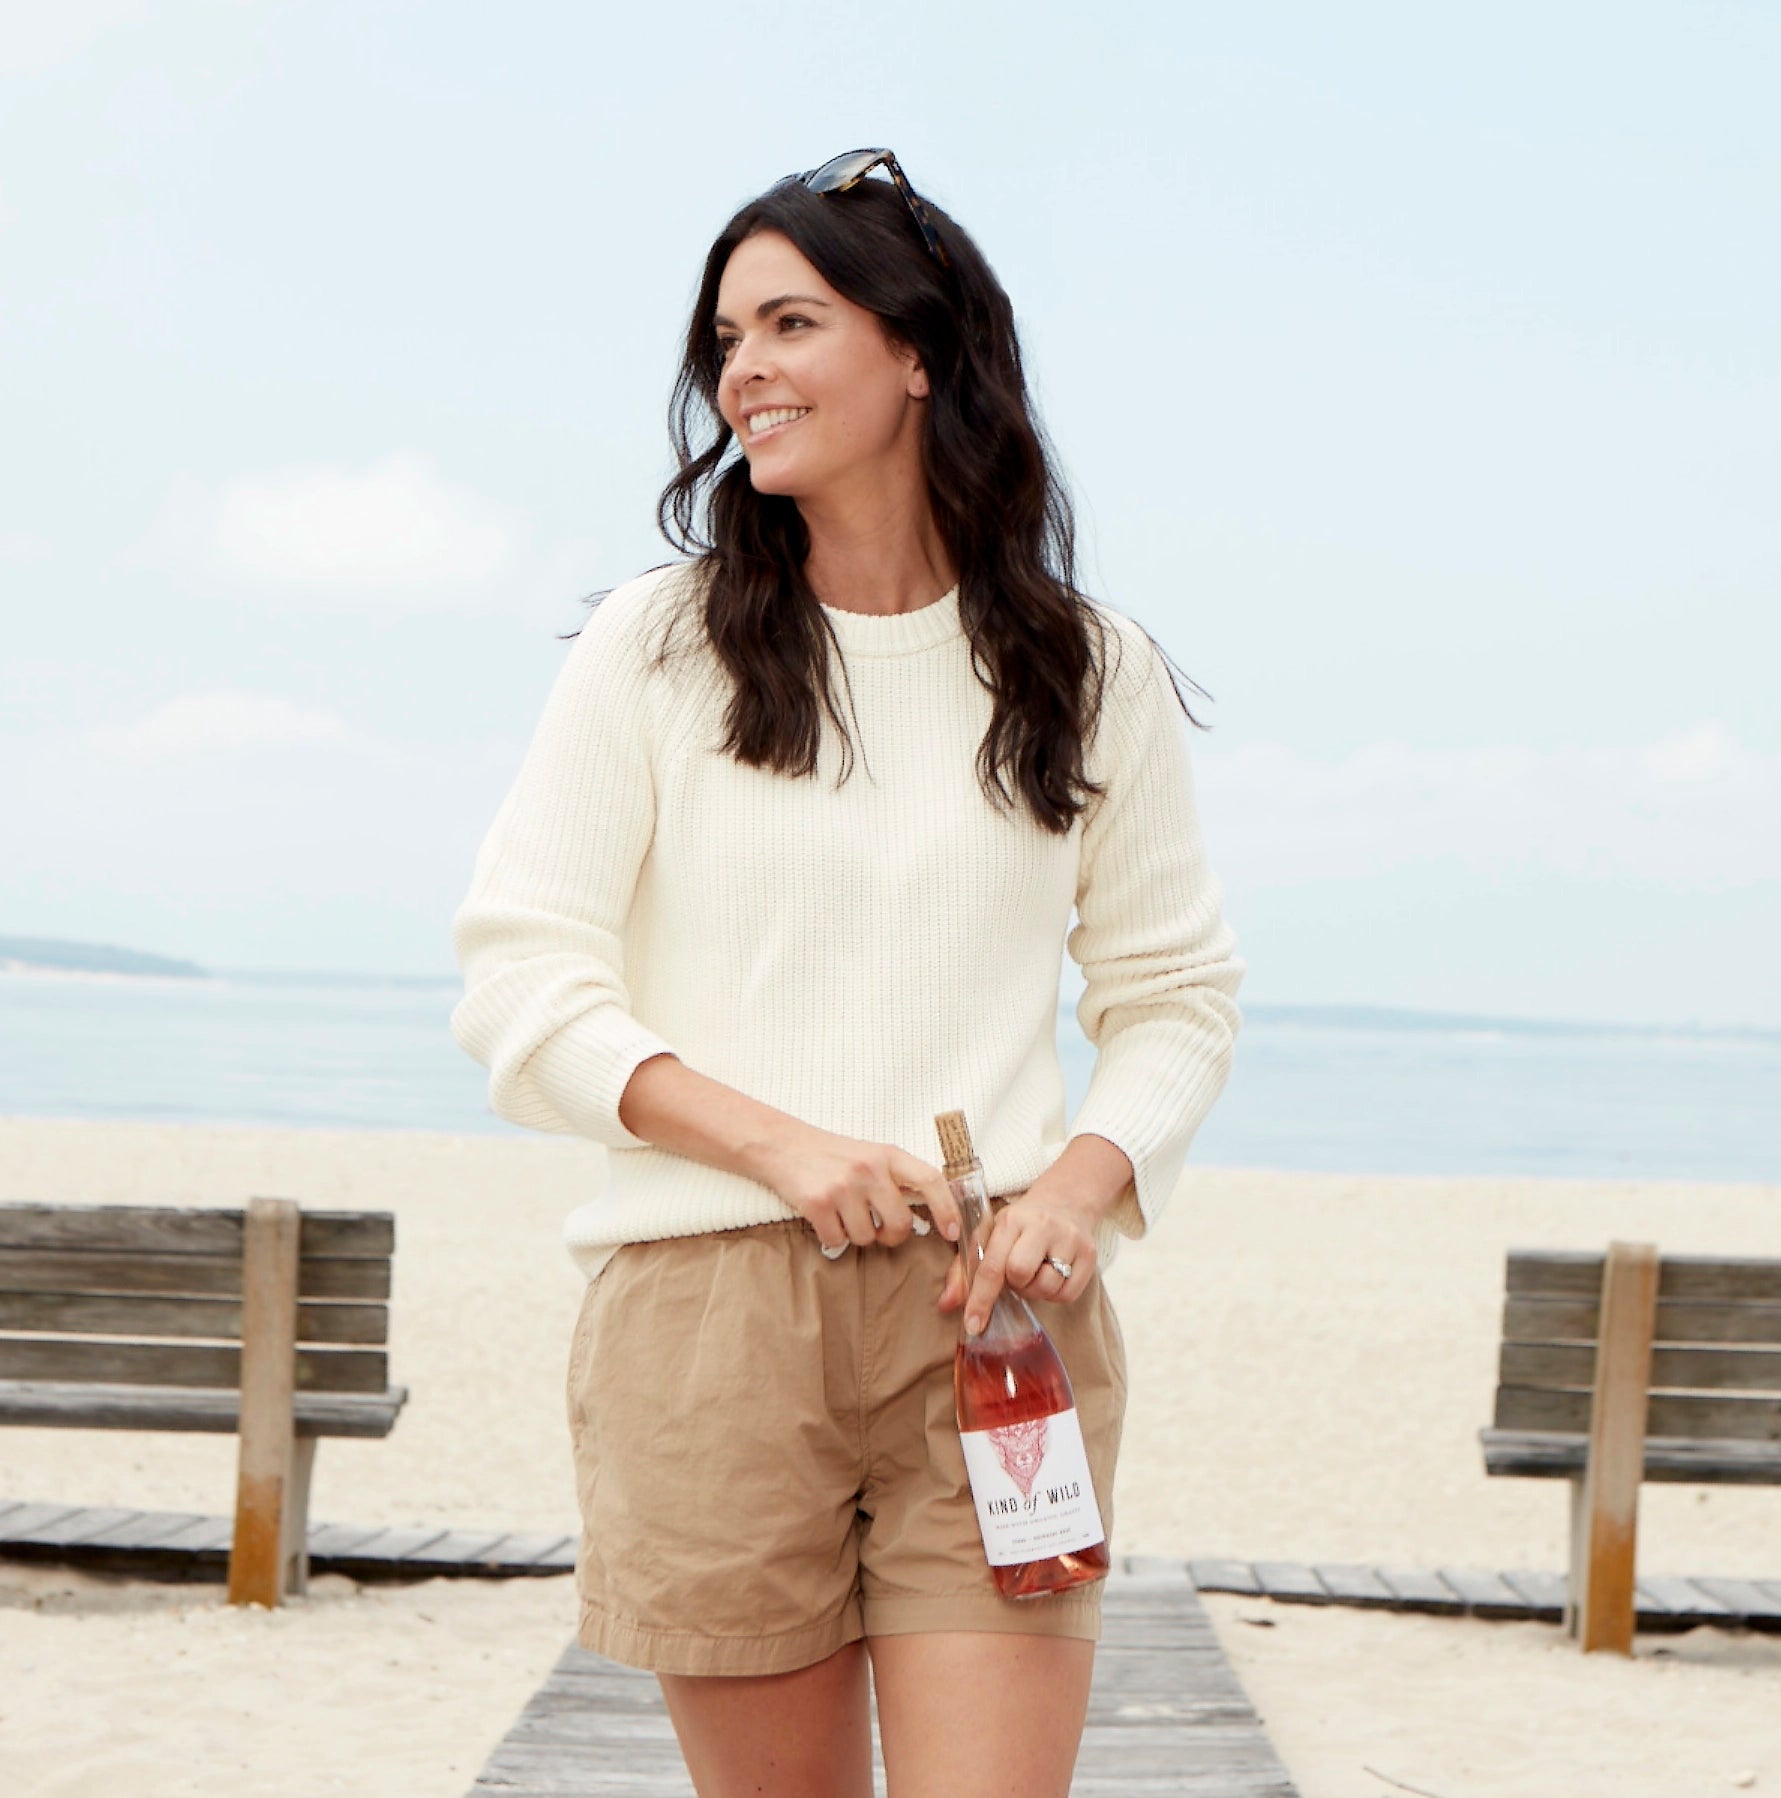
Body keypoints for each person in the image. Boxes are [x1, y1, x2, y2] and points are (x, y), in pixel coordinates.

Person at [449, 147, 1244, 1798]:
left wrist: (1080, 1187)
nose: (740, 368)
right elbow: (524, 987)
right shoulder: (655, 649)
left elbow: (1172, 998)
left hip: (995, 1320)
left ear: (916, 352)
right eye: (724, 336)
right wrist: (782, 1145)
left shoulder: (1092, 673)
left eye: (790, 321)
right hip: (709, 1318)